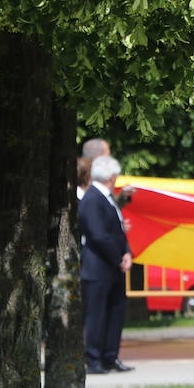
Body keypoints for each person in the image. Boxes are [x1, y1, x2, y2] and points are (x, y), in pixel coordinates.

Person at [80, 155, 133, 373]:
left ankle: (110, 356)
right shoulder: (92, 199)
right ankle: (93, 359)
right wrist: (118, 257)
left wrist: (127, 252)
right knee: (96, 316)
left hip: (111, 266)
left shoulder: (107, 198)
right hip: (98, 267)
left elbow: (118, 230)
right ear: (111, 177)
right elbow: (98, 235)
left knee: (115, 312)